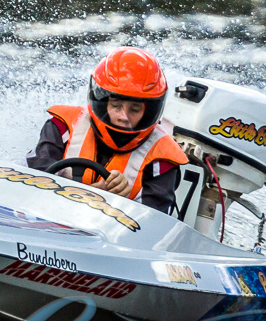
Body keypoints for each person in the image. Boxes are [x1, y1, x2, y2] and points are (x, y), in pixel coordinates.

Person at [26, 46, 189, 213]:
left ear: (149, 111)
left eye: (135, 109)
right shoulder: (62, 128)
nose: (123, 117)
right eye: (116, 105)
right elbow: (31, 186)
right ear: (102, 102)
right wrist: (92, 195)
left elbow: (153, 223)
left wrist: (119, 201)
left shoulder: (162, 158)